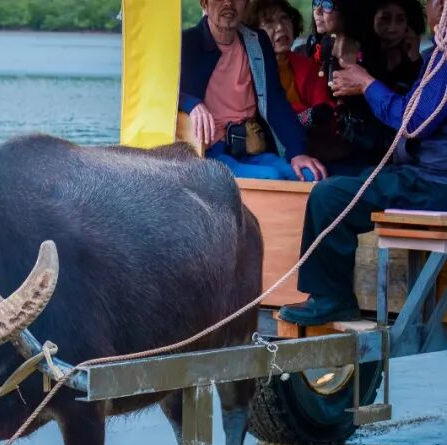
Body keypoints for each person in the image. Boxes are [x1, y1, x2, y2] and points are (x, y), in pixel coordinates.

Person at [279, 0, 447, 326]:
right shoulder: (439, 55)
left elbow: (411, 121)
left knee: (329, 195)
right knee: (358, 178)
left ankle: (333, 298)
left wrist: (366, 84)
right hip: (422, 176)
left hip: (434, 183)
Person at [180, 0, 327, 181]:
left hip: (253, 146)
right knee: (271, 177)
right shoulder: (187, 43)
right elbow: (162, 90)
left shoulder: (257, 41)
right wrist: (192, 104)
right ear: (204, 3)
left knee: (311, 175)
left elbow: (275, 100)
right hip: (210, 153)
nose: (229, 3)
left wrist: (298, 152)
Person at [247, 0, 332, 116]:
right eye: (269, 22)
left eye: (284, 18)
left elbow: (326, 112)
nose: (280, 27)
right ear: (253, 33)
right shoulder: (247, 71)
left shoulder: (310, 68)